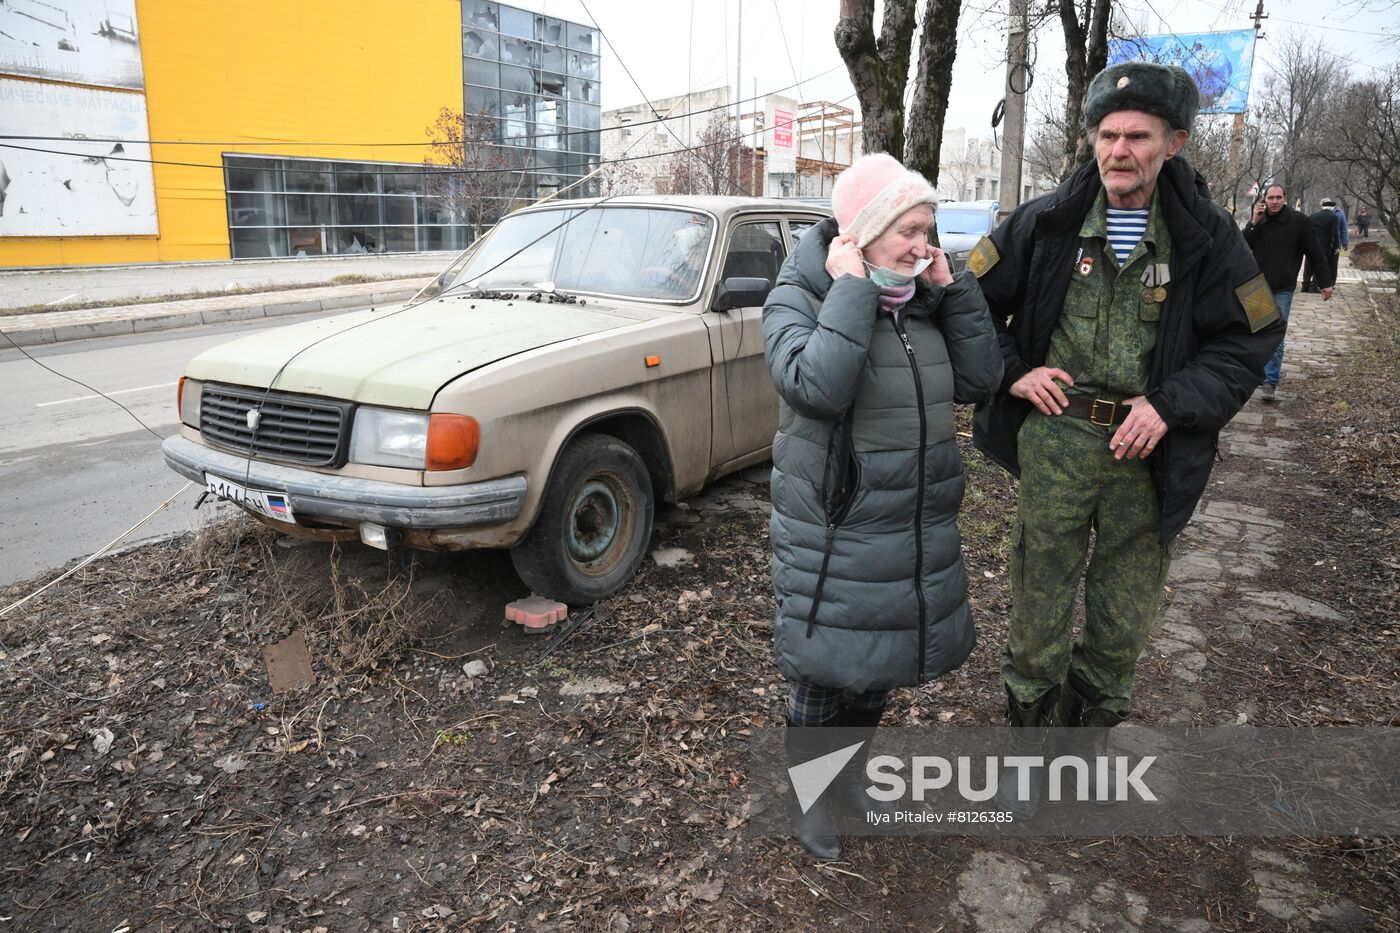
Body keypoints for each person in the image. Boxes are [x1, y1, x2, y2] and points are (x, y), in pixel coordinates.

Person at [969, 61, 1284, 818]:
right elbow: (968, 301)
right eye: (1107, 134)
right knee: (1037, 604)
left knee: (1120, 618)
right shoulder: (1043, 224)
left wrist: (1169, 406)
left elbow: (1249, 340)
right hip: (1056, 446)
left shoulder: (1209, 241)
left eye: (1137, 136)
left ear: (1172, 141)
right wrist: (1012, 372)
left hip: (1146, 458)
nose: (1119, 149)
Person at [763, 153, 1003, 858]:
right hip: (832, 529)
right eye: (909, 230)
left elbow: (982, 377)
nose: (923, 245)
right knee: (822, 677)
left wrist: (950, 287)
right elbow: (816, 387)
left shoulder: (923, 300)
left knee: (878, 669)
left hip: (910, 525)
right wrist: (852, 289)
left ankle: (850, 777)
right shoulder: (800, 295)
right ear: (862, 231)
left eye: (929, 230)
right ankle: (813, 799)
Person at [1243, 184, 1334, 400]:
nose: (1274, 202)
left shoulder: (1299, 221)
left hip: (1282, 286)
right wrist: (1253, 222)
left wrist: (1325, 282)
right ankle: (1255, 376)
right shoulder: (1259, 220)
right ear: (1264, 199)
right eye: (1270, 198)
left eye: (1278, 198)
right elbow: (1241, 245)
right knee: (1256, 334)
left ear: (1285, 198)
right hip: (1255, 286)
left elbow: (1315, 252)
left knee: (1276, 335)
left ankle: (1270, 382)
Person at [1302, 198, 1340, 293]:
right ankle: (1314, 286)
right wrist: (1336, 247)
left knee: (1308, 264)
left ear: (1323, 207)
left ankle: (1305, 285)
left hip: (1310, 244)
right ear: (1333, 208)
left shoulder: (1312, 216)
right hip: (1323, 245)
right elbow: (1334, 234)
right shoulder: (1333, 217)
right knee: (1319, 264)